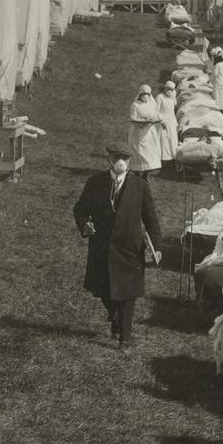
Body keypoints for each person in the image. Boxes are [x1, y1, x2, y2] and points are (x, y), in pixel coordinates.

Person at [72, 143, 163, 354]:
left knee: (128, 294)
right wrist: (85, 224)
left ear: (130, 162)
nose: (121, 162)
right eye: (117, 157)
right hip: (102, 246)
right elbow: (80, 209)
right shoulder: (95, 183)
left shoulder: (140, 187)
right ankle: (114, 315)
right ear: (109, 160)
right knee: (104, 290)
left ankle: (125, 339)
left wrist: (156, 246)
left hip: (129, 248)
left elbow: (151, 219)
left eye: (125, 158)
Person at [128, 84, 163, 176]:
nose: (145, 96)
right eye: (143, 94)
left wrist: (156, 119)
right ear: (140, 94)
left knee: (148, 151)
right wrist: (143, 121)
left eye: (147, 94)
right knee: (138, 151)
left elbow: (157, 115)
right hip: (138, 132)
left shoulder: (151, 105)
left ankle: (145, 174)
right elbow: (133, 119)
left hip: (149, 133)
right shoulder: (135, 105)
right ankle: (136, 171)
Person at [155, 81, 179, 166]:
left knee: (172, 140)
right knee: (164, 141)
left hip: (172, 121)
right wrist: (162, 121)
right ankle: (164, 160)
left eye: (172, 89)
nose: (169, 91)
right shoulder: (160, 97)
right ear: (165, 89)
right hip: (164, 121)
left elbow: (174, 106)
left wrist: (173, 95)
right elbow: (156, 111)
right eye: (168, 89)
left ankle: (173, 158)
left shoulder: (172, 98)